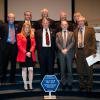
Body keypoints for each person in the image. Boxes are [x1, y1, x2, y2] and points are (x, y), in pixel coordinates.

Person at [74, 16, 96, 92]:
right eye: (79, 21)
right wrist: (75, 53)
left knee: (89, 70)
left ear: (84, 21)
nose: (80, 22)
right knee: (79, 70)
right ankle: (81, 85)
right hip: (79, 52)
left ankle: (89, 86)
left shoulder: (90, 29)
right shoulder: (75, 31)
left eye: (81, 21)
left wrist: (94, 52)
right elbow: (75, 43)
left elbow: (94, 41)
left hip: (89, 52)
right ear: (77, 22)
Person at [16, 22, 36, 90]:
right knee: (24, 69)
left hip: (31, 54)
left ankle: (30, 84)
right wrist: (26, 52)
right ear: (23, 28)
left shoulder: (32, 35)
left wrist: (30, 52)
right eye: (25, 27)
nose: (27, 29)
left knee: (31, 70)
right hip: (23, 55)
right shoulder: (19, 35)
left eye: (28, 27)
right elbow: (19, 45)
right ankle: (25, 84)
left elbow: (34, 44)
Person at [56, 20, 75, 90]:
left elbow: (73, 42)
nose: (64, 26)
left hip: (69, 53)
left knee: (70, 69)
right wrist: (62, 50)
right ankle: (63, 83)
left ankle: (70, 83)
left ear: (67, 26)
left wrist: (66, 49)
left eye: (65, 24)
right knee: (62, 69)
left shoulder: (72, 33)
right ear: (61, 26)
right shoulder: (58, 34)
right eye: (63, 25)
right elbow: (57, 43)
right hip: (61, 54)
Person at [1, 13, 18, 84]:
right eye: (10, 17)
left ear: (14, 19)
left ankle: (12, 79)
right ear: (7, 18)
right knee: (4, 63)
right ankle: (3, 78)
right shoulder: (3, 26)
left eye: (13, 18)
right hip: (6, 46)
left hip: (14, 46)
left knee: (13, 64)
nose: (11, 19)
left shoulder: (17, 26)